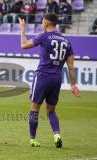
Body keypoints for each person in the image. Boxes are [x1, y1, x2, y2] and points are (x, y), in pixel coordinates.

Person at [18, 13, 80, 148]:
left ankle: (33, 139)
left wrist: (22, 30)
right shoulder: (66, 41)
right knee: (51, 110)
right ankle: (56, 134)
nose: (41, 24)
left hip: (42, 77)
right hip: (57, 78)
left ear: (46, 24)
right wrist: (73, 84)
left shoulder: (43, 36)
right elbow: (71, 66)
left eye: (42, 22)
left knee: (34, 109)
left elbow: (24, 45)